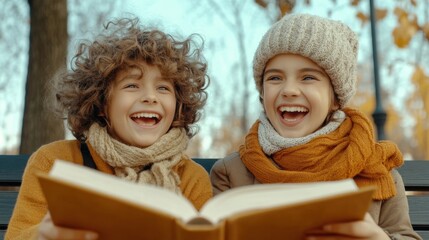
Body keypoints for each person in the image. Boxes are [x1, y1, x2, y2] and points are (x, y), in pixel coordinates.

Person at [210, 13, 421, 240]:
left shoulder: (377, 170)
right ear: (262, 92)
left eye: (308, 77)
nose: (289, 90)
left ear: (335, 98)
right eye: (275, 78)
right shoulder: (231, 173)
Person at [6, 17, 212, 240]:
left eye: (163, 88)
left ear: (178, 106)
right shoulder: (54, 161)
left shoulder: (191, 178)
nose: (151, 97)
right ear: (102, 103)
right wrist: (43, 235)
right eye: (132, 85)